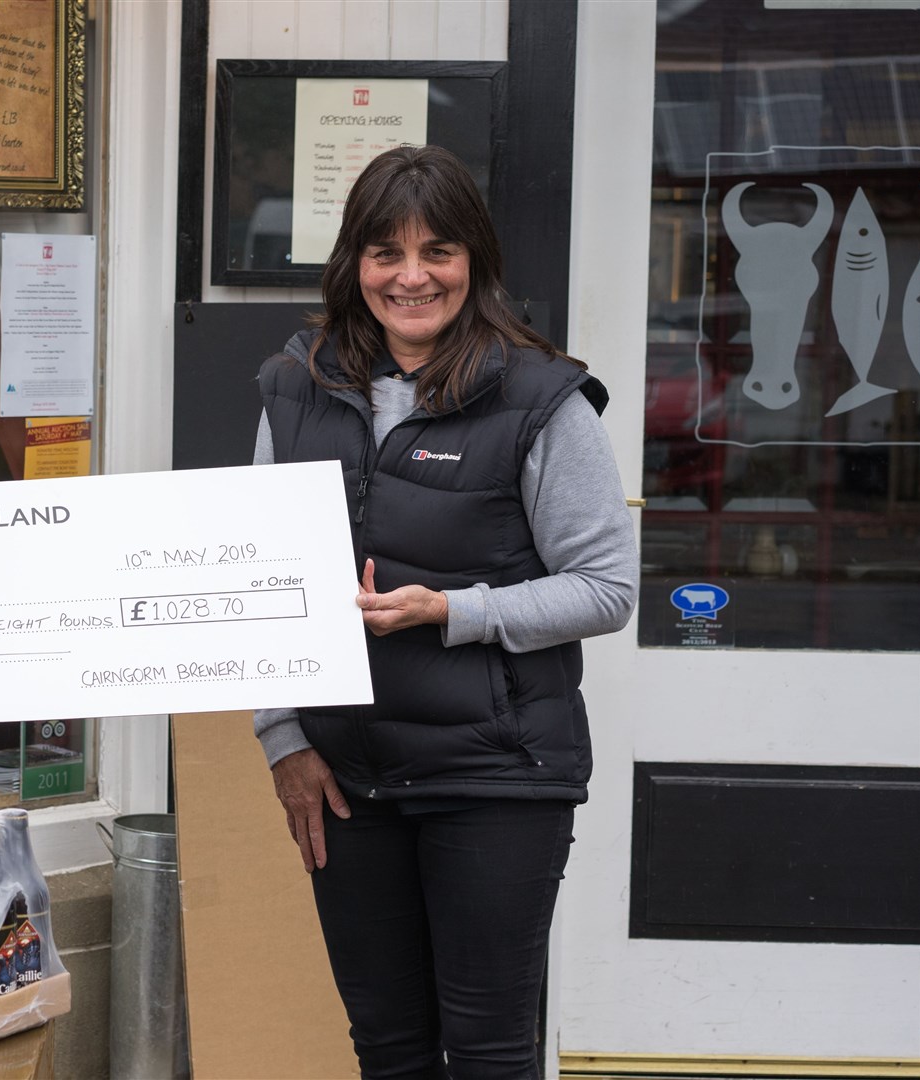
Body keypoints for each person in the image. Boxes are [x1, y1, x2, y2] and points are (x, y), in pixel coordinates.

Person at [253, 145, 638, 1079]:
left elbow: (607, 588)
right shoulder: (294, 388)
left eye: (440, 251)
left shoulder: (542, 399)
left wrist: (453, 612)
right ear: (353, 264)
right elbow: (262, 586)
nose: (412, 276)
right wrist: (284, 742)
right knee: (386, 1047)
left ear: (477, 260)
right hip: (349, 777)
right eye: (386, 252)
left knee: (490, 1050)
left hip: (498, 774)